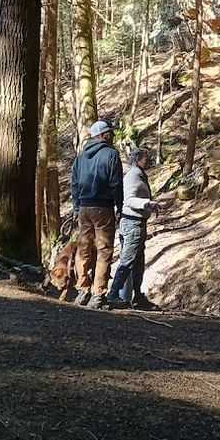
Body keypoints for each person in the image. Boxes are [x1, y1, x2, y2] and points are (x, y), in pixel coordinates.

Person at [70, 119, 123, 310]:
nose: (112, 136)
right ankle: (98, 294)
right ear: (103, 135)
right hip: (103, 208)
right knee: (104, 250)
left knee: (83, 249)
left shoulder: (80, 157)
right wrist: (120, 206)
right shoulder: (111, 155)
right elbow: (116, 184)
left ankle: (82, 289)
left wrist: (77, 207)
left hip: (84, 208)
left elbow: (74, 184)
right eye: (109, 133)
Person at [106, 146, 163, 311]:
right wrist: (147, 203)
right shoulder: (133, 176)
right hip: (132, 223)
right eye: (146, 157)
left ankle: (137, 296)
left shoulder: (138, 175)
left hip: (137, 222)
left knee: (137, 262)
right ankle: (113, 294)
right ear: (138, 159)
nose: (149, 160)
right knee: (128, 260)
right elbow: (129, 200)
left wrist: (149, 207)